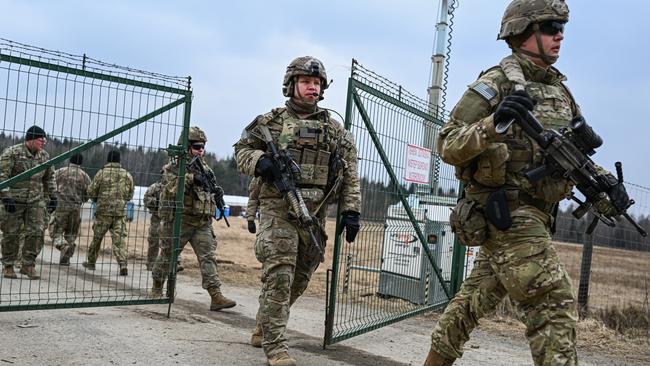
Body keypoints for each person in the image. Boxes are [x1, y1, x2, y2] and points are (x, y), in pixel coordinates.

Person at [424, 1, 630, 365]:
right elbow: (447, 143)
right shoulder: (496, 83)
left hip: (537, 216)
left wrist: (607, 187)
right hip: (506, 212)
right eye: (551, 27)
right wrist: (493, 124)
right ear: (523, 31)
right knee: (553, 303)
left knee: (473, 301)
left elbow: (577, 158)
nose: (560, 35)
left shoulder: (562, 93)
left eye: (561, 27)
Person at [234, 56, 361, 366]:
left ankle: (265, 322)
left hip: (314, 213)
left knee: (300, 279)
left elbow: (350, 172)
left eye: (317, 83)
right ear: (291, 85)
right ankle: (276, 348)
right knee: (280, 275)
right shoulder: (271, 122)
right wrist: (260, 162)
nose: (312, 88)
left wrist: (351, 210)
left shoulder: (334, 130)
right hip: (278, 208)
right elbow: (242, 150)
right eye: (306, 82)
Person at [151, 126, 236, 311]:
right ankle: (157, 287)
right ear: (187, 146)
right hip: (180, 221)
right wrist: (190, 178)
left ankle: (216, 295)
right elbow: (170, 190)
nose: (201, 150)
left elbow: (210, 188)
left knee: (208, 257)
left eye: (203, 147)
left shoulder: (206, 168)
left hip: (202, 222)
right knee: (167, 255)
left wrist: (216, 193)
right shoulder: (174, 167)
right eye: (197, 146)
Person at [0, 126, 57, 280]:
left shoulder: (44, 156)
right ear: (31, 139)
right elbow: (2, 175)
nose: (43, 142)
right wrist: (5, 196)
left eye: (44, 140)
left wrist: (53, 197)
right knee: (11, 233)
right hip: (14, 200)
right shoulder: (12, 153)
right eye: (40, 140)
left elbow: (49, 178)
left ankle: (28, 265)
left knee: (36, 232)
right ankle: (8, 265)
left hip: (35, 200)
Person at [83, 150, 134, 276]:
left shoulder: (101, 173)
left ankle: (91, 261)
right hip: (119, 212)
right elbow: (130, 194)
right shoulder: (127, 175)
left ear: (107, 159)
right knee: (119, 239)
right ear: (119, 160)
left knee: (97, 238)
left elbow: (91, 191)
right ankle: (123, 263)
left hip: (103, 212)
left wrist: (97, 199)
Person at [49, 152, 91, 266]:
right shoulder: (85, 176)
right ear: (81, 163)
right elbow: (88, 195)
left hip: (60, 206)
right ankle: (66, 257)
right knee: (71, 234)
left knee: (55, 231)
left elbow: (50, 186)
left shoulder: (60, 172)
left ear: (70, 160)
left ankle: (63, 246)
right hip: (76, 207)